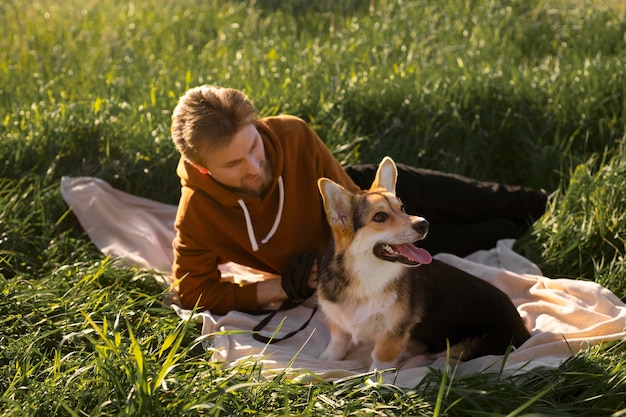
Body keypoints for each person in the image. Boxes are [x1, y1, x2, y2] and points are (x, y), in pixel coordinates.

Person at [170, 85, 546, 315]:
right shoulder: (197, 216)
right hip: (356, 257)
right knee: (473, 238)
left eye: (254, 145)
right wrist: (281, 288)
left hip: (359, 203)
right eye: (234, 163)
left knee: (484, 200)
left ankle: (543, 202)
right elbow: (192, 290)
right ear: (201, 169)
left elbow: (357, 209)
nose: (254, 166)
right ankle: (524, 228)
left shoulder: (292, 135)